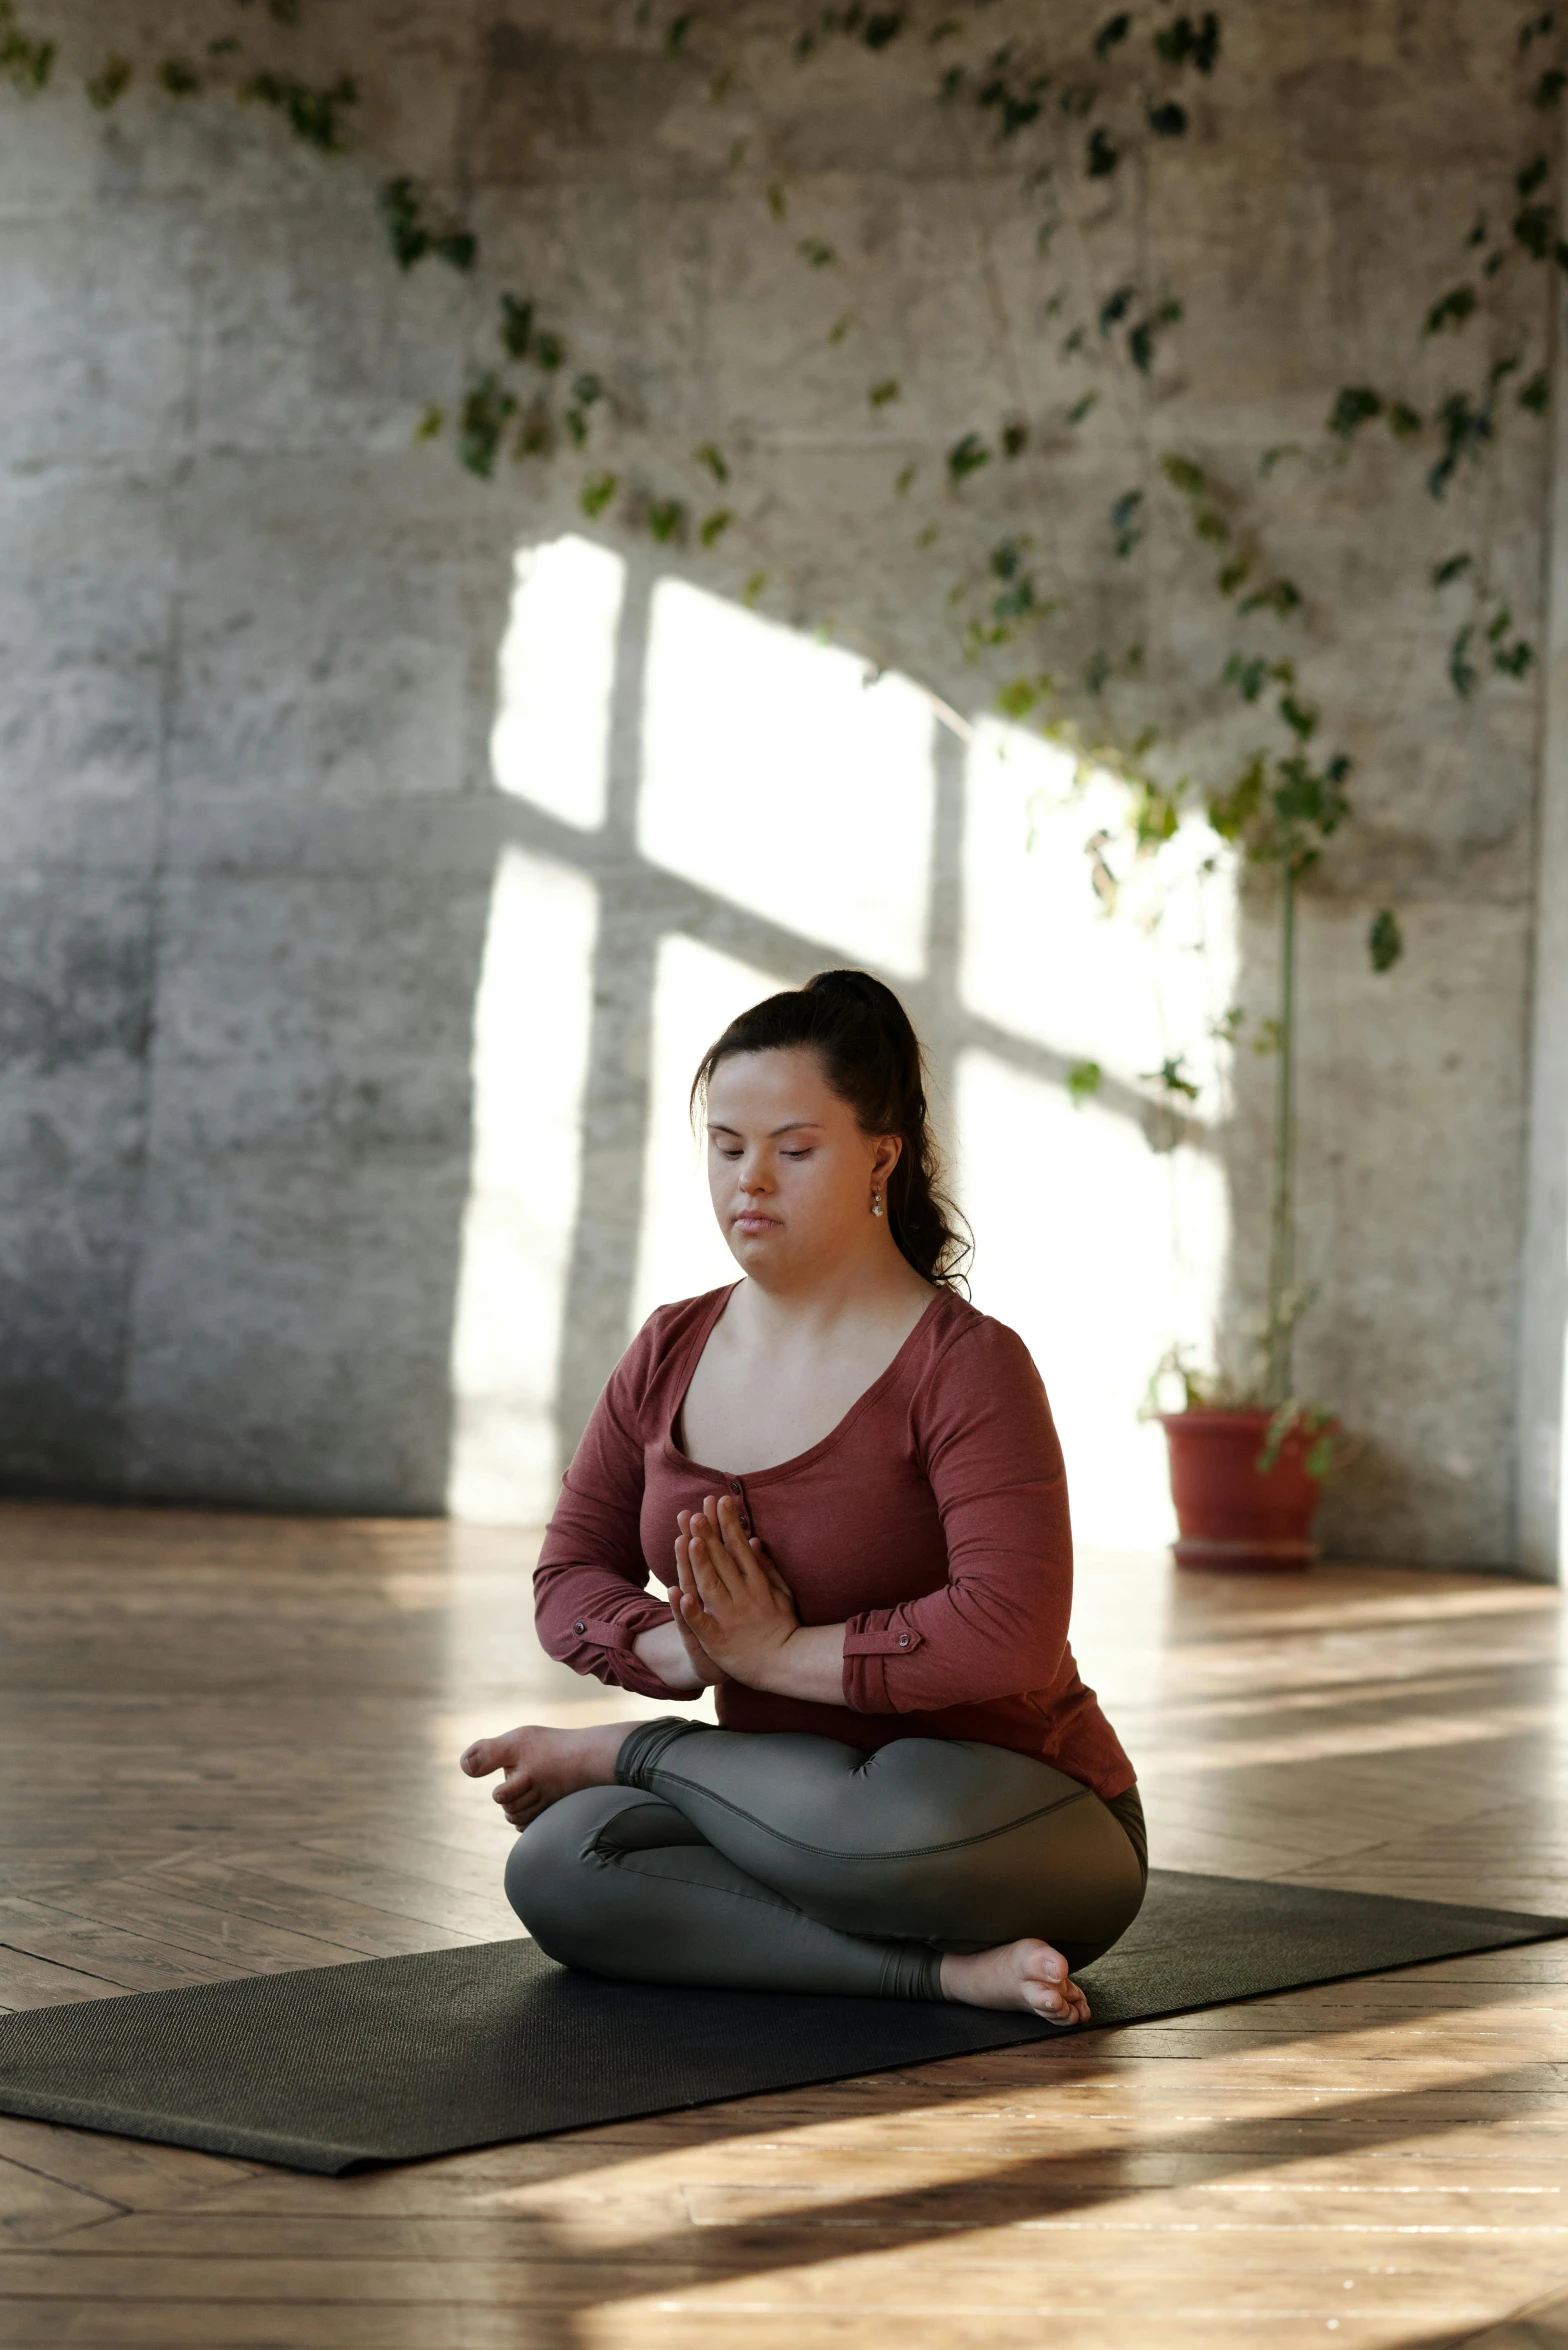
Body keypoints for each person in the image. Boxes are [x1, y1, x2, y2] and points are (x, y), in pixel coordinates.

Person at [461, 969, 1144, 2023]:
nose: (752, 1183)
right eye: (726, 1147)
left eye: (793, 1148)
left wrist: (768, 1660)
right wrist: (685, 1649)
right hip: (768, 1801)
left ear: (881, 1155)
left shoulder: (966, 1365)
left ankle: (631, 1755)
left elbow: (1004, 1632)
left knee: (877, 1815)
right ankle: (938, 1973)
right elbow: (568, 1573)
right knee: (560, 1861)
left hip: (995, 1814)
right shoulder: (668, 1348)